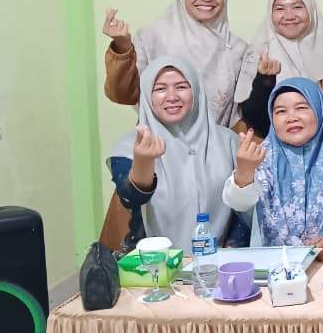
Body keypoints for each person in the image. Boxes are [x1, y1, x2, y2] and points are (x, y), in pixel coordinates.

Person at [108, 57, 252, 251]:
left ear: (196, 91)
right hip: (155, 262)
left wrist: (231, 249)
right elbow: (129, 198)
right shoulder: (130, 146)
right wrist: (143, 162)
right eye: (160, 89)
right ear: (148, 96)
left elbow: (243, 210)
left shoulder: (229, 142)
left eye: (181, 87)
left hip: (216, 260)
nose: (172, 96)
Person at [221, 78, 323, 260]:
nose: (291, 118)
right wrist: (245, 172)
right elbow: (240, 207)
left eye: (301, 108)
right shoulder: (260, 156)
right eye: (281, 111)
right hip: (276, 265)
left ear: (320, 109)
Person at [102, 0, 249, 126]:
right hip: (157, 139)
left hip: (217, 140)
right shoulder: (152, 38)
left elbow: (241, 115)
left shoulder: (237, 48)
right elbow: (123, 95)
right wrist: (122, 47)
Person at [236, 0, 323, 138]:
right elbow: (251, 117)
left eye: (297, 7)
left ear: (311, 10)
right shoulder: (259, 53)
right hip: (274, 144)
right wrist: (264, 81)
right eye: (280, 9)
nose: (289, 16)